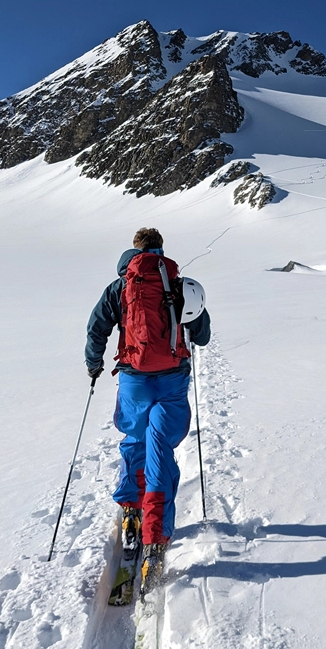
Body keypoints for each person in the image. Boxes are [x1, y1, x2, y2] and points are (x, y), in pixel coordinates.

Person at [85, 227, 210, 594]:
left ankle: (129, 511)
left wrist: (94, 364)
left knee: (135, 440)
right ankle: (155, 539)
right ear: (161, 249)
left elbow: (97, 328)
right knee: (160, 451)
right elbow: (201, 335)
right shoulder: (179, 283)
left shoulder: (120, 286)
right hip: (171, 379)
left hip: (134, 379)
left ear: (133, 251)